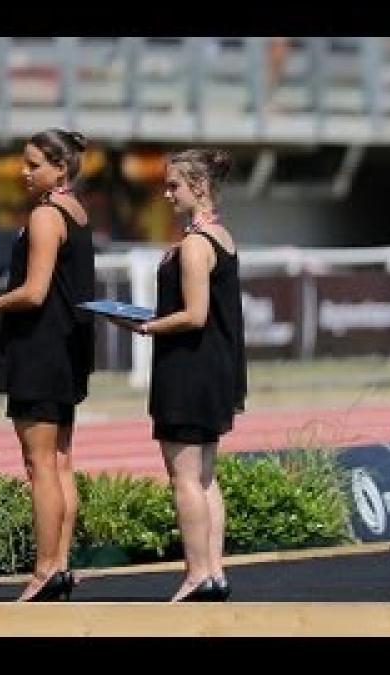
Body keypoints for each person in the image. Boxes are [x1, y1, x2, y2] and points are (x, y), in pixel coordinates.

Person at [0, 128, 95, 602]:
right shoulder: (77, 212)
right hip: (67, 349)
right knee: (60, 462)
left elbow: (34, 292)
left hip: (41, 350)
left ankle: (44, 570)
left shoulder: (45, 215)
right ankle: (60, 564)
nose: (23, 171)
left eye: (33, 164)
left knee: (40, 465)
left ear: (60, 168)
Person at [111, 149, 246, 602]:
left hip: (190, 369)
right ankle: (214, 572)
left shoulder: (194, 245)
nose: (167, 194)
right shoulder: (221, 236)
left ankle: (196, 575)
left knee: (185, 477)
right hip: (213, 368)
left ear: (200, 187)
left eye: (174, 186)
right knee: (206, 476)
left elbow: (192, 315)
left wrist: (145, 325)